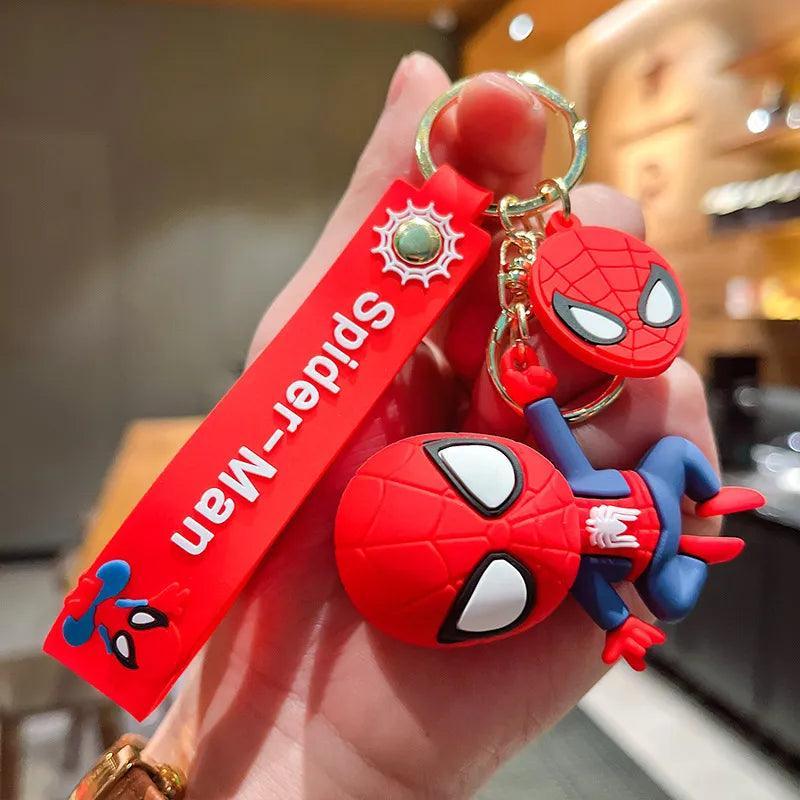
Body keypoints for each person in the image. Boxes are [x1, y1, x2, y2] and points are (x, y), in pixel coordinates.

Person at [144, 53, 719, 799]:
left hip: (480, 547)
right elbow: (608, 509)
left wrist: (618, 619)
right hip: (444, 538)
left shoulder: (571, 540)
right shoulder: (572, 528)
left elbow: (599, 542)